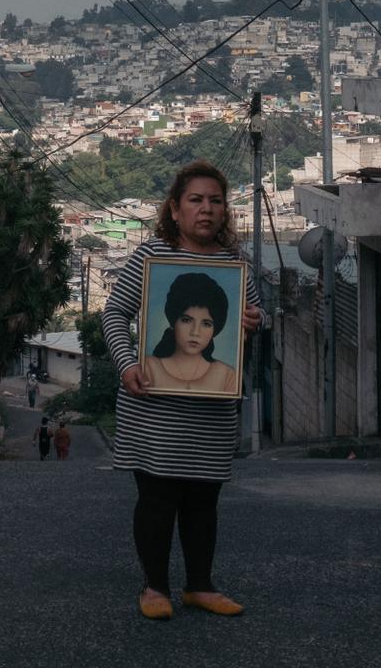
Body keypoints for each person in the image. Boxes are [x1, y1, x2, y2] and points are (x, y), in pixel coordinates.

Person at [101, 160, 263, 621]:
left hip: (212, 410)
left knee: (203, 502)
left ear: (225, 210)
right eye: (195, 200)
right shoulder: (150, 256)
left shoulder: (236, 265)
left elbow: (255, 320)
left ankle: (200, 586)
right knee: (157, 500)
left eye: (215, 201)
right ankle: (155, 587)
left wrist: (256, 320)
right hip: (152, 406)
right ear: (175, 209)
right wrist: (127, 365)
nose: (206, 209)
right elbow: (114, 314)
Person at [139, 272, 237, 395]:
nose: (195, 332)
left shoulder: (227, 375)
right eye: (186, 320)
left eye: (206, 324)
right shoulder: (147, 367)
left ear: (215, 329)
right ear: (173, 321)